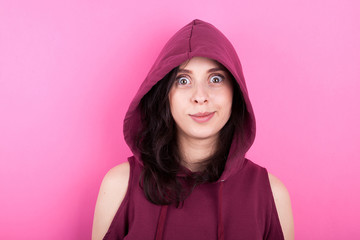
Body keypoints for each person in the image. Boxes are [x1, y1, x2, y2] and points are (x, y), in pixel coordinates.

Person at [92, 19, 294, 240]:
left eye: (215, 79)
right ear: (165, 94)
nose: (200, 96)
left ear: (235, 92)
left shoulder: (272, 195)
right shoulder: (119, 186)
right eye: (183, 80)